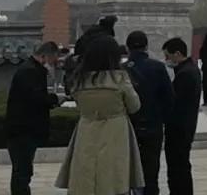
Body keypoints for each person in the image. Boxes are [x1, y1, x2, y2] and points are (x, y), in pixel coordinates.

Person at [55, 35, 144, 195]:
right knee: (114, 176)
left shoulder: (79, 81)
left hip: (86, 129)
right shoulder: (119, 80)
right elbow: (135, 106)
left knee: (86, 174)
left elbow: (78, 104)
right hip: (116, 131)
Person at [6, 41, 63, 195]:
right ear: (44, 56)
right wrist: (55, 99)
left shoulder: (29, 69)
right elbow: (36, 98)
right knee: (22, 172)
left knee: (23, 170)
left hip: (22, 129)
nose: (53, 64)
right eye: (53, 60)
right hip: (23, 130)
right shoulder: (30, 72)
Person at [125, 31, 173, 195]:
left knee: (128, 172)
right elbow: (169, 98)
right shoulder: (158, 67)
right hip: (153, 126)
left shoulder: (121, 69)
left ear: (128, 47)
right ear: (146, 46)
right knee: (151, 172)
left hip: (128, 128)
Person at [162, 37, 201, 195]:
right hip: (185, 126)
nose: (166, 60)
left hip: (179, 128)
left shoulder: (185, 74)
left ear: (177, 54)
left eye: (168, 56)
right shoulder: (190, 69)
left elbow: (174, 102)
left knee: (178, 167)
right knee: (181, 165)